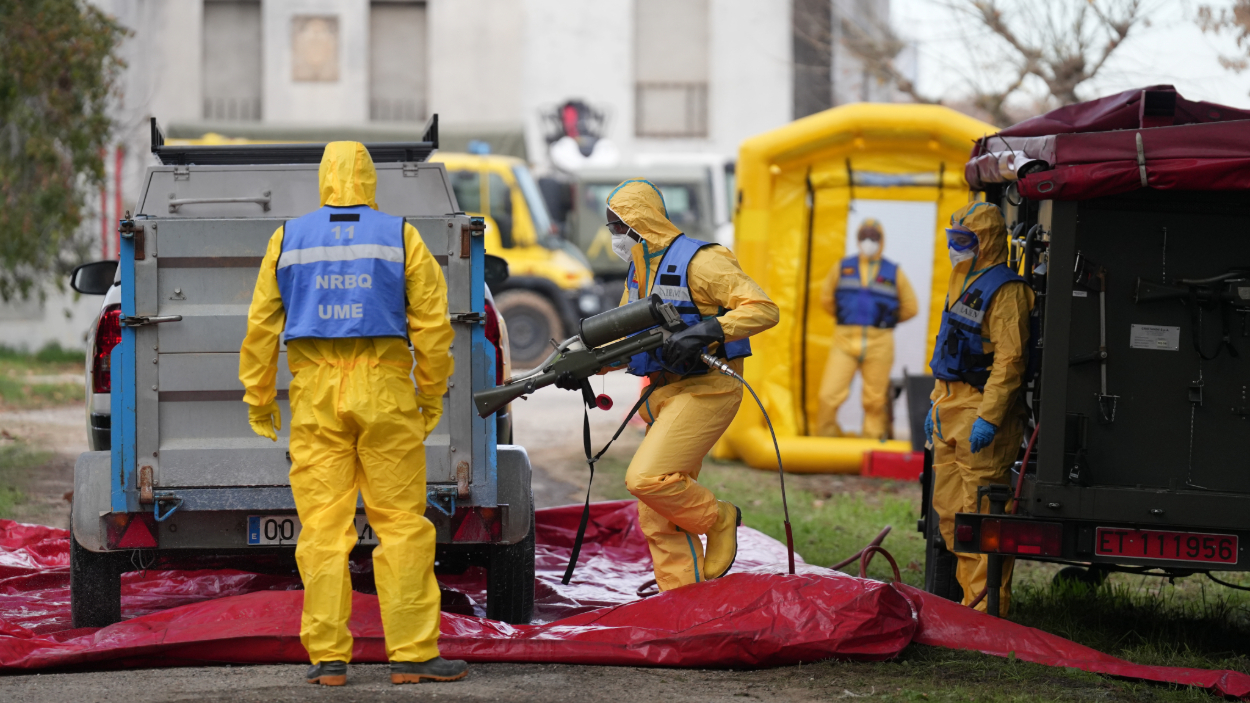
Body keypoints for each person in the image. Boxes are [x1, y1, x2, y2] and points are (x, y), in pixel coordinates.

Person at [239, 142, 466, 686]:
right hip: (386, 394)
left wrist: (260, 397)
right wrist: (431, 395)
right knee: (403, 526)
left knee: (321, 530)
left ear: (324, 179)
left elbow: (262, 326)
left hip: (317, 395)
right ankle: (411, 656)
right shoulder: (400, 236)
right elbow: (433, 328)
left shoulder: (288, 238)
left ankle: (329, 660)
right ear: (368, 179)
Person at [570, 179, 779, 591]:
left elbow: (763, 309)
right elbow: (630, 340)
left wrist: (708, 330)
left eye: (618, 225)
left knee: (646, 478)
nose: (613, 234)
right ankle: (684, 599)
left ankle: (719, 518)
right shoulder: (639, 267)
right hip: (664, 392)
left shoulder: (704, 261)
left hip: (709, 388)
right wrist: (587, 365)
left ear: (639, 222)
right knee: (656, 511)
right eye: (611, 225)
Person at [925, 201, 1033, 613]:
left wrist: (989, 416)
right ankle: (970, 607)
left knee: (982, 519)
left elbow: (1010, 360)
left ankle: (988, 612)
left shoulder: (1008, 290)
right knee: (952, 515)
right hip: (950, 405)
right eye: (953, 239)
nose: (956, 247)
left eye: (964, 240)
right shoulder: (962, 277)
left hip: (981, 410)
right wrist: (936, 405)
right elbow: (949, 344)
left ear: (985, 241)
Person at [815, 219, 918, 439]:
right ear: (857, 238)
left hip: (879, 342)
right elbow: (826, 298)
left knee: (874, 400)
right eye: (864, 236)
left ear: (881, 240)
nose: (868, 241)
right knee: (828, 395)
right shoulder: (843, 267)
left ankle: (871, 442)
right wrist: (846, 315)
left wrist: (887, 320)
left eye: (873, 236)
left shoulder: (894, 272)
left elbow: (911, 307)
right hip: (844, 340)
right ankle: (825, 439)